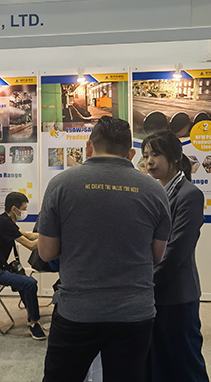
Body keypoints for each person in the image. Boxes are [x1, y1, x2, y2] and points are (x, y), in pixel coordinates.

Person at [38, 116, 171, 382]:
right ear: (131, 154)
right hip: (134, 313)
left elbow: (46, 253)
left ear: (89, 147)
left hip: (77, 311)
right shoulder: (155, 191)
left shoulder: (61, 185)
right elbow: (158, 255)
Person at [142, 130, 209, 382]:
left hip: (176, 296)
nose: (149, 162)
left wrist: (145, 284)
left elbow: (176, 251)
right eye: (146, 155)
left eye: (156, 155)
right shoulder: (155, 191)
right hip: (154, 293)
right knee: (157, 362)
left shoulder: (189, 195)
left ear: (175, 157)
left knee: (185, 364)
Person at [0, 191, 47, 340]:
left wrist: (48, 233)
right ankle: (34, 323)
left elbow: (29, 235)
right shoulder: (5, 224)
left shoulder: (5, 220)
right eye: (23, 209)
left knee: (22, 277)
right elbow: (31, 245)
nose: (25, 212)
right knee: (30, 283)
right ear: (14, 209)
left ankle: (31, 316)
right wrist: (51, 239)